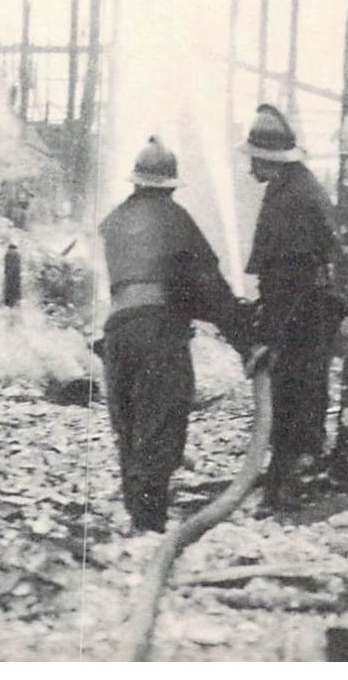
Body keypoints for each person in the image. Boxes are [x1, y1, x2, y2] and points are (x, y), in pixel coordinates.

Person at [98, 136, 256, 533]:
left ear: (136, 181)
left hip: (117, 333)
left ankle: (137, 516)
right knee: (161, 423)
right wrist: (245, 339)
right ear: (170, 186)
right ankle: (151, 529)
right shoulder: (176, 219)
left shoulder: (115, 221)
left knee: (130, 428)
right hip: (158, 335)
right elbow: (206, 288)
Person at [237, 104, 343, 510]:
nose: (251, 170)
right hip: (308, 311)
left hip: (303, 313)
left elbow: (290, 275)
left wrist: (268, 336)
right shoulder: (295, 187)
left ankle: (289, 487)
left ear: (270, 159)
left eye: (255, 161)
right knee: (304, 392)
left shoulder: (291, 198)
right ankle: (289, 480)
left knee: (294, 395)